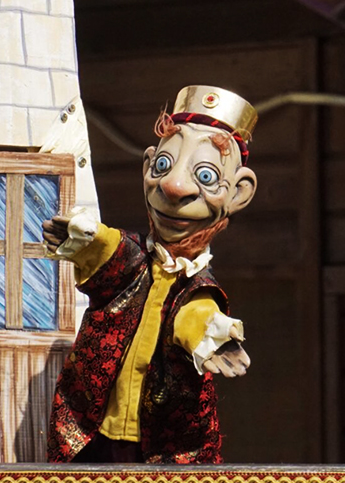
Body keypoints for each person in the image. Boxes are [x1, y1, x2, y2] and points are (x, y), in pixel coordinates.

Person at [45, 85, 258, 463]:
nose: (175, 186)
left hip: (160, 442)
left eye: (205, 175)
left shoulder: (197, 288)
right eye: (163, 166)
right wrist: (81, 237)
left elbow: (192, 314)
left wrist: (210, 336)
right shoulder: (131, 259)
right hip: (94, 426)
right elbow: (107, 247)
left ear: (238, 193)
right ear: (147, 167)